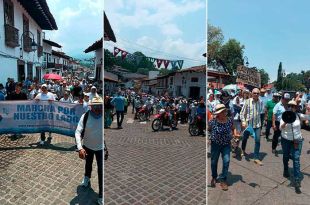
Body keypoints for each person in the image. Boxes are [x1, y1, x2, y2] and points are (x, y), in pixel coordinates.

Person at [75, 97, 103, 204]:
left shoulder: (104, 116)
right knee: (88, 163)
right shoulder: (85, 116)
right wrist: (80, 147)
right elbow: (78, 132)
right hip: (87, 146)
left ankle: (101, 195)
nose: (97, 109)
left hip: (100, 147)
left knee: (101, 171)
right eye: (95, 106)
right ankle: (87, 178)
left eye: (99, 106)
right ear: (91, 106)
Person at [280, 100, 310, 193]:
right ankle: (286, 169)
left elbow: (308, 117)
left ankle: (297, 180)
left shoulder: (298, 115)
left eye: (294, 106)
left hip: (297, 140)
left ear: (296, 107)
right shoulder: (284, 115)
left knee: (296, 158)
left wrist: (309, 109)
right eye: (290, 106)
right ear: (287, 107)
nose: (292, 108)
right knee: (285, 155)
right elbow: (281, 127)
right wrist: (286, 121)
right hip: (286, 139)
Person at [209, 104, 238, 191]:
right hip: (215, 144)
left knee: (226, 161)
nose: (219, 114)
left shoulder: (229, 120)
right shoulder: (213, 121)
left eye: (220, 112)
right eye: (218, 113)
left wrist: (235, 134)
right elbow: (209, 129)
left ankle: (223, 179)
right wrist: (210, 137)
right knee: (214, 162)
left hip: (226, 144)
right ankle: (214, 177)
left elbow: (233, 128)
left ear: (224, 112)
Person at [240, 88, 263, 165]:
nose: (256, 94)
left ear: (259, 94)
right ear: (252, 93)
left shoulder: (261, 102)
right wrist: (243, 121)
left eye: (257, 93)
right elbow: (242, 113)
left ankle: (256, 158)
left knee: (257, 141)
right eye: (254, 93)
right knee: (244, 138)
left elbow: (261, 114)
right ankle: (243, 150)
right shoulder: (247, 101)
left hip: (257, 125)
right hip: (248, 125)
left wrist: (262, 125)